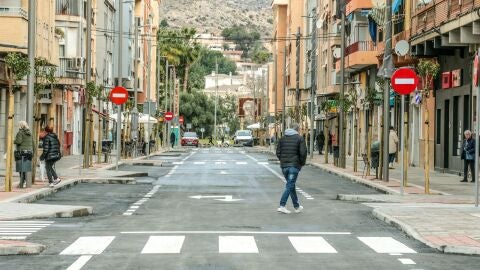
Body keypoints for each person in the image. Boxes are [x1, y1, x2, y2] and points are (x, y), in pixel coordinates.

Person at [276, 123, 307, 214]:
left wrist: (282, 160)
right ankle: (282, 205)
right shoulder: (300, 138)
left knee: (291, 185)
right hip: (294, 166)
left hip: (284, 166)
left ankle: (296, 207)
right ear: (297, 130)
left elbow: (278, 152)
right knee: (290, 185)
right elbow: (303, 152)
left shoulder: (282, 138)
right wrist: (301, 163)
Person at [14, 121, 33, 188]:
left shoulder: (20, 133)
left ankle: (22, 182)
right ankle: (23, 182)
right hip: (29, 152)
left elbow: (18, 141)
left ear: (21, 126)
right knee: (25, 168)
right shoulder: (30, 133)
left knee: (20, 168)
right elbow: (33, 143)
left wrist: (14, 141)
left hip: (21, 152)